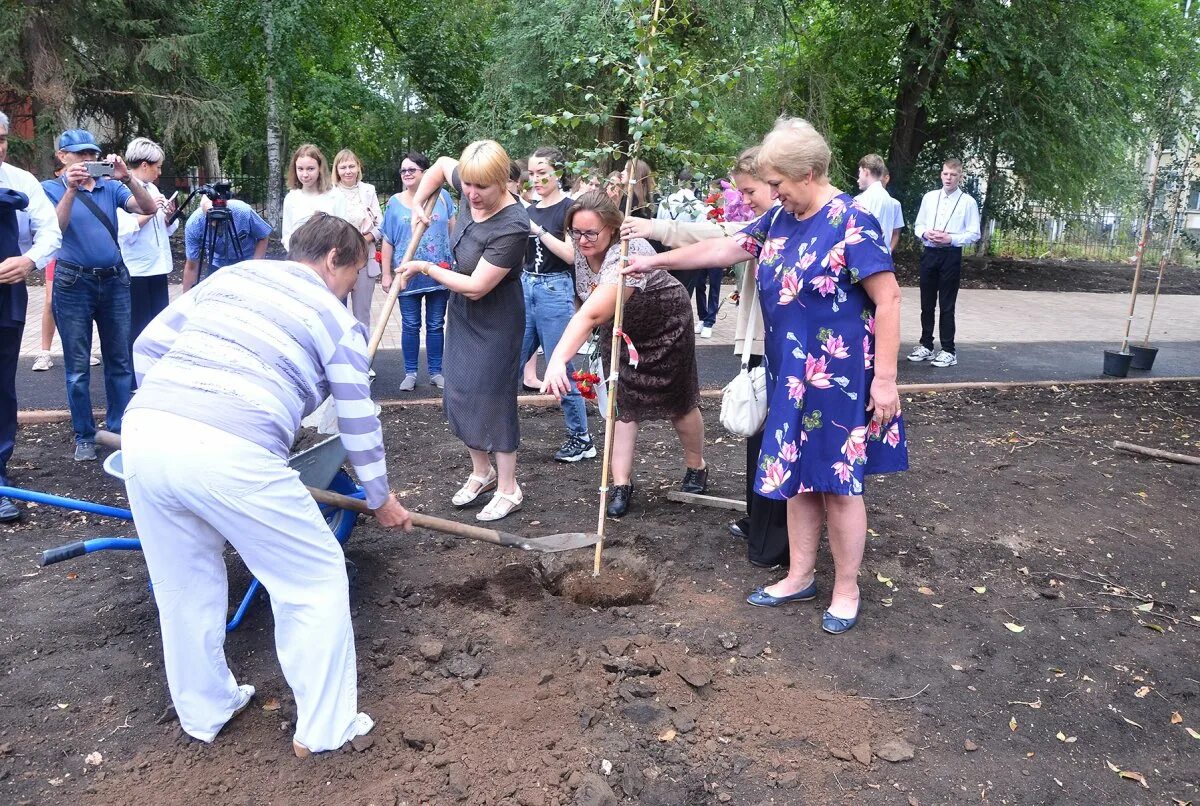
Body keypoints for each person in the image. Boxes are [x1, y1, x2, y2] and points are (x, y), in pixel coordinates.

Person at [125, 214, 412, 757]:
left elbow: (148, 344)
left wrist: (175, 410)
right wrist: (381, 498)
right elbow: (356, 419)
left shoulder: (233, 277)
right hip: (231, 450)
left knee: (183, 586)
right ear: (333, 257)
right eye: (353, 275)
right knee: (314, 576)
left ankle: (206, 711)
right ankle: (327, 729)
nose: (352, 288)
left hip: (146, 432)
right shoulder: (334, 316)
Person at [625, 117, 908, 634]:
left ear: (808, 173)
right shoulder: (779, 218)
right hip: (790, 374)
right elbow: (723, 248)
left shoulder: (853, 220)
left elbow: (887, 299)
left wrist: (885, 380)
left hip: (840, 378)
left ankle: (846, 587)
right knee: (797, 479)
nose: (770, 193)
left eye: (777, 183)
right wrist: (653, 263)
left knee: (841, 488)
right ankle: (799, 575)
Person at [621, 146, 787, 565]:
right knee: (760, 439)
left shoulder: (792, 219)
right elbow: (718, 239)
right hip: (766, 346)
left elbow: (719, 241)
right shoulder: (771, 220)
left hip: (788, 352)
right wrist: (656, 244)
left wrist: (654, 236)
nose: (745, 199)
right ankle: (761, 519)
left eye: (751, 190)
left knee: (773, 441)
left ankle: (773, 535)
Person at [542, 191, 706, 518]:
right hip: (618, 327)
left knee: (678, 401)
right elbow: (586, 302)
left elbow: (589, 314)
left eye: (591, 233)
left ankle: (696, 466)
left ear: (613, 229)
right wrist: (583, 344)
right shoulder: (580, 249)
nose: (582, 240)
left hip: (665, 324)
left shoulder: (630, 253)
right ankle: (621, 484)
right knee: (621, 403)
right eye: (576, 232)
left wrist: (559, 358)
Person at [399, 141, 529, 522]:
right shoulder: (472, 179)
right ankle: (481, 471)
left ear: (502, 181)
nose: (471, 195)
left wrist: (426, 268)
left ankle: (509, 487)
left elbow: (476, 285)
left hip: (496, 319)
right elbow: (438, 165)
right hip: (464, 314)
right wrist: (418, 206)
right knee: (459, 390)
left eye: (481, 189)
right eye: (467, 186)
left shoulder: (513, 226)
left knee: (492, 397)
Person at [42, 128, 157, 461]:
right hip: (72, 283)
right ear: (62, 158)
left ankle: (119, 430)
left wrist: (129, 179)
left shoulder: (111, 186)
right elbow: (55, 228)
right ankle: (84, 436)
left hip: (114, 281)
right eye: (79, 155)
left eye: (92, 154)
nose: (88, 160)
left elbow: (148, 207)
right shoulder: (49, 188)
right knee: (77, 366)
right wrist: (72, 190)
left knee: (119, 361)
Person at [0, 111, 61, 520]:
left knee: (2, 390)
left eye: (1, 140)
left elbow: (51, 232)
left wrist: (30, 260)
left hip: (6, 298)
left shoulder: (21, 182)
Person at [521, 146, 595, 463]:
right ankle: (493, 430)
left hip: (554, 290)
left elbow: (571, 255)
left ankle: (581, 438)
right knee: (510, 360)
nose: (536, 179)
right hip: (526, 287)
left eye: (542, 173)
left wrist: (538, 232)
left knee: (559, 367)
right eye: (532, 173)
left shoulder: (568, 208)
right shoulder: (530, 209)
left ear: (558, 173)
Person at [380, 152, 455, 390]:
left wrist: (456, 265)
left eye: (412, 169)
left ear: (425, 172)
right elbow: (388, 240)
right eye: (403, 171)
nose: (406, 174)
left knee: (435, 324)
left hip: (439, 271)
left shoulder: (442, 197)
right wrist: (386, 274)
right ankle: (410, 373)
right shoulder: (394, 202)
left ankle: (436, 372)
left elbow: (453, 232)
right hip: (406, 273)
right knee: (411, 324)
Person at [909, 158, 981, 368]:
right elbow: (918, 224)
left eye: (953, 175)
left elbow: (974, 233)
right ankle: (926, 345)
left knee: (947, 305)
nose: (948, 178)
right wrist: (925, 233)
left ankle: (948, 350)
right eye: (945, 174)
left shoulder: (968, 202)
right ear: (941, 174)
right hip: (930, 252)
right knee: (926, 303)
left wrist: (952, 238)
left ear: (960, 177)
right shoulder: (929, 198)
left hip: (951, 255)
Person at [117, 137, 178, 349]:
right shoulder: (121, 190)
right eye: (157, 167)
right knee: (139, 325)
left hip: (158, 266)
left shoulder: (152, 189)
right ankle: (135, 371)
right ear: (144, 165)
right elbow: (125, 231)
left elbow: (166, 228)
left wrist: (168, 214)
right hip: (137, 270)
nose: (159, 173)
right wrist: (151, 211)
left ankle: (154, 365)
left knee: (159, 322)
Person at [656, 167, 719, 337]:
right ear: (694, 186)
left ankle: (664, 326)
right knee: (684, 293)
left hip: (666, 253)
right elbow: (702, 234)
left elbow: (659, 226)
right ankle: (678, 328)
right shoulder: (699, 207)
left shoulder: (665, 202)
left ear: (678, 182)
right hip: (689, 256)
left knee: (665, 291)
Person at [331, 149, 383, 329]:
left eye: (351, 166)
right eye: (343, 167)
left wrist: (364, 240)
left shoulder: (369, 191)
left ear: (358, 167)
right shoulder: (330, 193)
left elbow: (381, 226)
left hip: (365, 259)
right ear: (336, 169)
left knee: (362, 315)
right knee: (337, 314)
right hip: (337, 262)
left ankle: (363, 355)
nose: (347, 171)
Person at [181, 195, 272, 290]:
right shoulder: (194, 224)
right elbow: (192, 265)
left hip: (247, 261)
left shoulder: (243, 212)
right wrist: (185, 299)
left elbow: (263, 236)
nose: (217, 222)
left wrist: (254, 269)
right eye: (213, 218)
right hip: (218, 263)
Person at [281, 144, 346, 250]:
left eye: (310, 169)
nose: (305, 174)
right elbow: (287, 235)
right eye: (300, 169)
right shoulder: (291, 198)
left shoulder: (335, 196)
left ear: (320, 169)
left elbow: (343, 232)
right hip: (298, 259)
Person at [854, 154, 903, 253]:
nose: (858, 178)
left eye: (859, 172)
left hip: (867, 256)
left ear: (866, 172)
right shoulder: (888, 199)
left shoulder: (864, 199)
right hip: (882, 256)